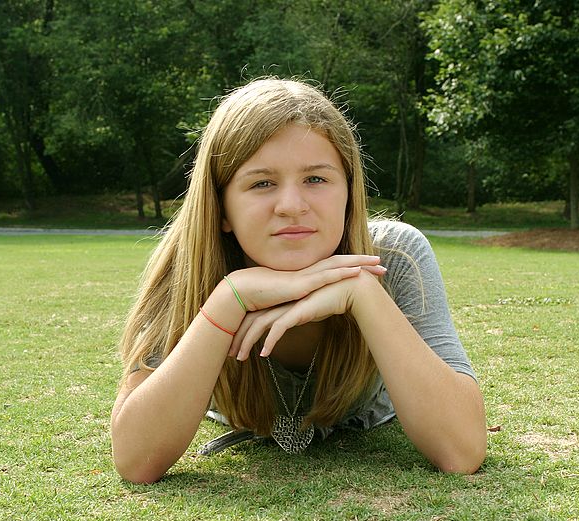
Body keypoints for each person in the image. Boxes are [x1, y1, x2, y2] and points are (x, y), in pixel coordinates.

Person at [111, 77, 487, 484]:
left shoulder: (394, 257)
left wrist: (363, 292)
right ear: (221, 208)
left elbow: (461, 450)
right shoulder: (191, 264)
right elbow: (135, 460)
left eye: (316, 179)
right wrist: (228, 300)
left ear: (349, 194)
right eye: (262, 183)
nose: (291, 206)